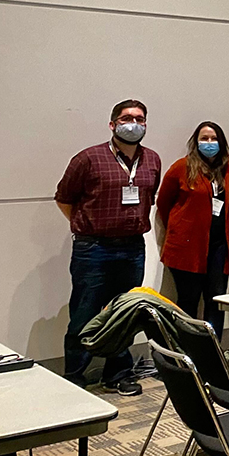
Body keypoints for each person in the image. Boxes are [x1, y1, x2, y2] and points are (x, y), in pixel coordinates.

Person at [55, 99, 161, 395]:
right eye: (127, 118)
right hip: (94, 248)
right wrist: (84, 225)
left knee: (124, 313)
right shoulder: (88, 158)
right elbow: (64, 197)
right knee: (84, 313)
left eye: (140, 119)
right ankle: (74, 376)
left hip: (132, 248)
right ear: (113, 124)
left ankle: (118, 373)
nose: (134, 124)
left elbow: (147, 200)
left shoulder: (152, 159)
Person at [156, 121, 229, 338]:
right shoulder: (181, 168)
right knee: (188, 302)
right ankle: (187, 353)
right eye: (204, 138)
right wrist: (181, 230)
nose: (209, 143)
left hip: (219, 247)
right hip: (187, 248)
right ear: (196, 142)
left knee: (216, 300)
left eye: (214, 139)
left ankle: (214, 353)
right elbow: (164, 204)